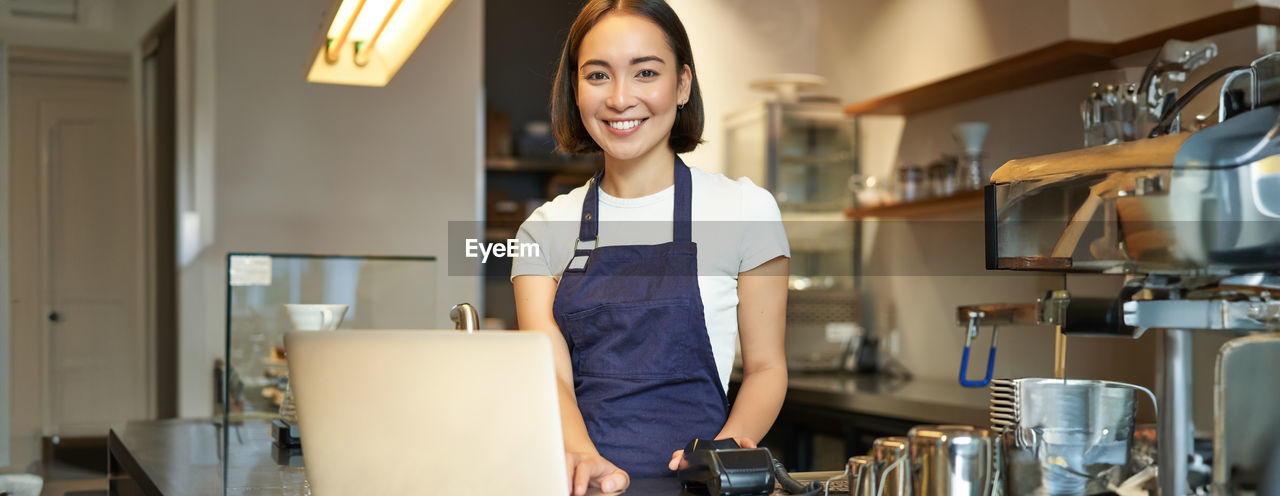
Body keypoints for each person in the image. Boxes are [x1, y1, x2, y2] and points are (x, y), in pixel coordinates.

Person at [510, 1, 789, 494]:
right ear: (575, 90)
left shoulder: (746, 208)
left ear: (682, 85)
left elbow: (767, 368)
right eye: (598, 75)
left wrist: (719, 458)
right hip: (578, 484)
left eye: (645, 72)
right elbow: (547, 375)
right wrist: (585, 459)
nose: (620, 98)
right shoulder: (544, 229)